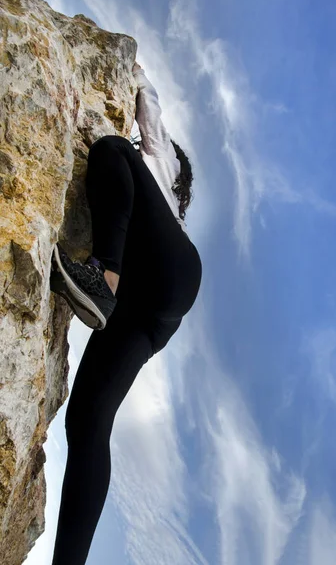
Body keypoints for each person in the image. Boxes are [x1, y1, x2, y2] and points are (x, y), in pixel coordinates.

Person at [48, 61, 203, 565]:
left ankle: (104, 276)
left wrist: (128, 63)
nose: (144, 147)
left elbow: (147, 99)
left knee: (110, 148)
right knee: (88, 421)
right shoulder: (164, 206)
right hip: (157, 312)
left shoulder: (160, 160)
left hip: (157, 275)